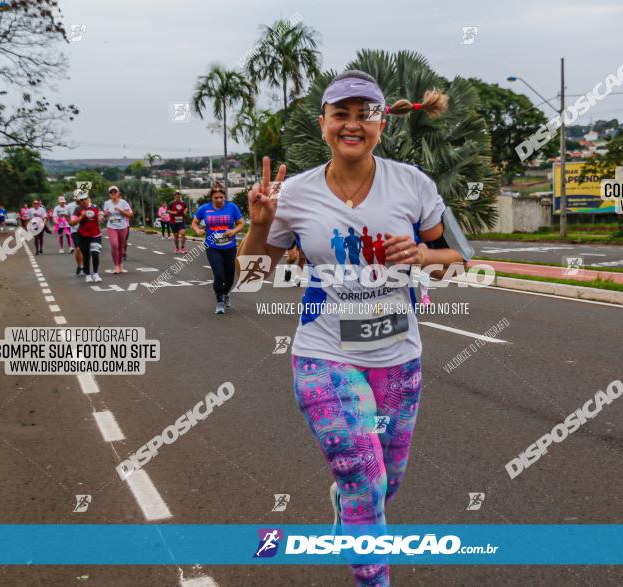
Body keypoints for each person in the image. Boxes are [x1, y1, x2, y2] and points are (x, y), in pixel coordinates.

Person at [238, 70, 461, 587]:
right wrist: (258, 224)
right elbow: (250, 279)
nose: (353, 125)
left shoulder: (413, 185)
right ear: (324, 125)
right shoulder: (293, 194)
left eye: (365, 114)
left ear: (383, 123)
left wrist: (425, 255)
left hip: (398, 358)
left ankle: (347, 500)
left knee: (385, 484)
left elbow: (457, 262)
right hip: (323, 353)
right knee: (364, 473)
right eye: (342, 114)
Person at [192, 183, 244, 314]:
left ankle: (226, 294)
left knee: (230, 276)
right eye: (216, 198)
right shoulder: (204, 209)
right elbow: (195, 222)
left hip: (230, 246)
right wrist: (198, 230)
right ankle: (220, 301)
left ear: (225, 197)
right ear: (212, 198)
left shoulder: (232, 207)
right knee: (219, 274)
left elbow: (241, 223)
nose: (219, 200)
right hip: (212, 246)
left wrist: (233, 231)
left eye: (221, 197)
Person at [69, 192, 103, 283]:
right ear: (79, 201)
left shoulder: (95, 207)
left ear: (88, 198)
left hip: (96, 235)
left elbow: (101, 218)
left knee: (95, 253)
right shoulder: (77, 209)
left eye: (85, 198)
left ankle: (95, 274)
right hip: (83, 235)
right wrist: (82, 216)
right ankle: (88, 275)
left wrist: (103, 216)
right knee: (86, 256)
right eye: (81, 200)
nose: (83, 201)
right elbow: (72, 223)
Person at [102, 186, 133, 274]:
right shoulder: (107, 203)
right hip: (112, 226)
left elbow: (129, 215)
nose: (113, 194)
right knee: (114, 245)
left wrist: (120, 210)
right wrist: (106, 214)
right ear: (109, 195)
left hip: (123, 227)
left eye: (115, 192)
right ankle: (115, 265)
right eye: (111, 193)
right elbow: (104, 217)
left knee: (120, 247)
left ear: (118, 193)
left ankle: (120, 264)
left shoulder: (123, 203)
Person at [67, 193, 84, 275]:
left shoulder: (85, 205)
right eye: (76, 197)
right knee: (77, 249)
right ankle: (79, 265)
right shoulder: (69, 206)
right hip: (75, 230)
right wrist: (69, 222)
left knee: (84, 249)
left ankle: (84, 266)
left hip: (85, 229)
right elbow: (66, 215)